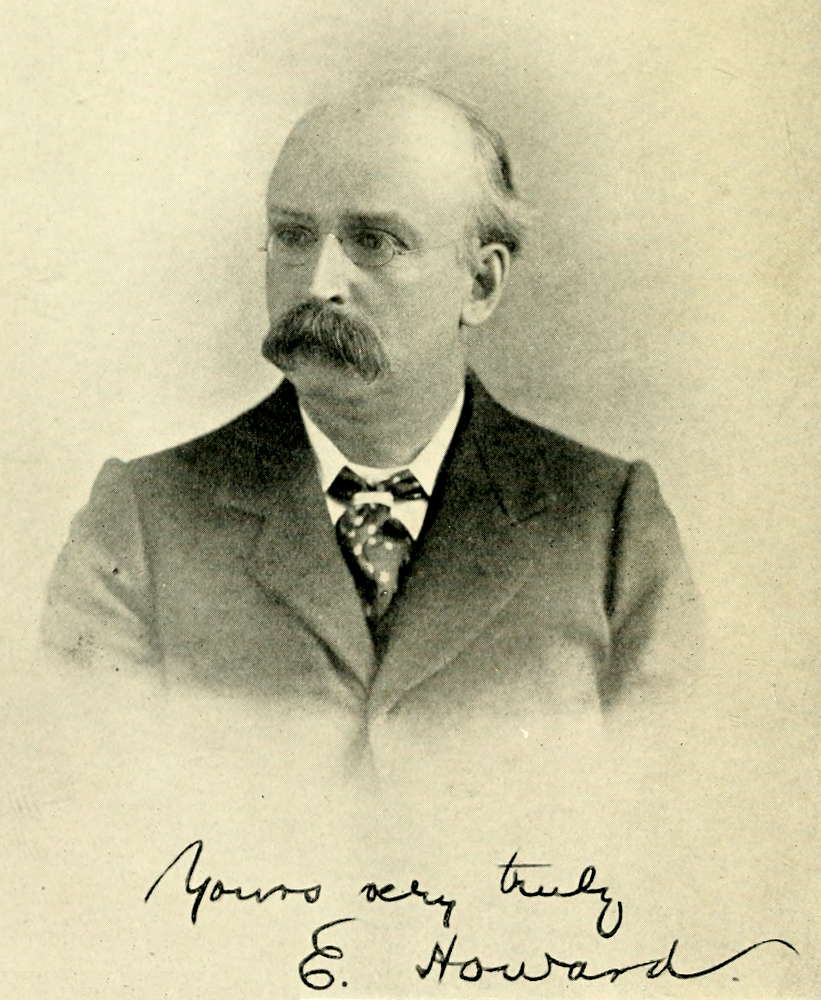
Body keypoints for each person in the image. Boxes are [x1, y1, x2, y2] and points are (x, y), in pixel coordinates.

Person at [41, 83, 700, 741]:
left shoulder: (608, 529)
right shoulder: (141, 522)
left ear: (481, 283)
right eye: (292, 236)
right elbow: (94, 782)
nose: (318, 284)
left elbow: (666, 784)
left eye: (374, 241)